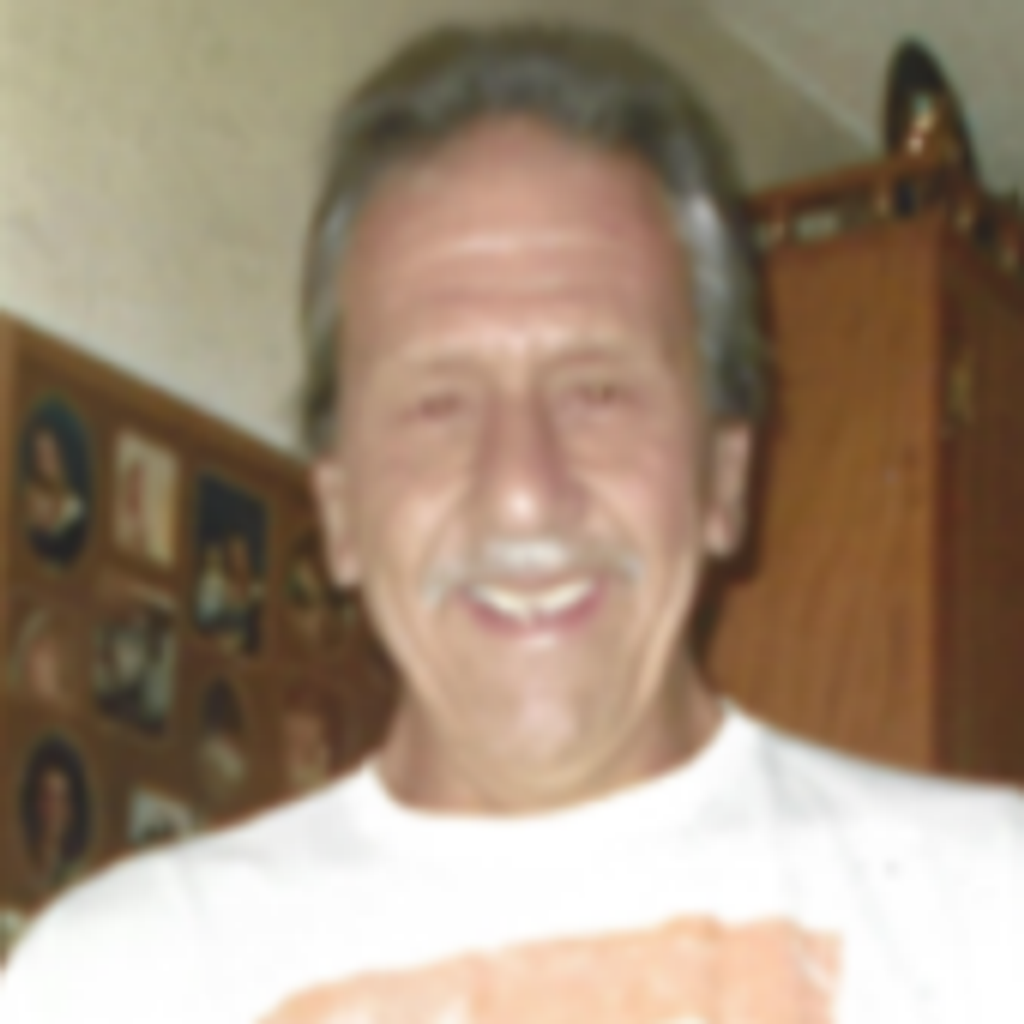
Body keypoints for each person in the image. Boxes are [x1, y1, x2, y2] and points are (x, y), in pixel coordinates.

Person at [2, 24, 1023, 1024]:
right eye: (437, 404)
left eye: (598, 391)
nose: (523, 491)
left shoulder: (988, 919)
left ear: (723, 475)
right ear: (340, 511)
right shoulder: (108, 984)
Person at [23, 423, 88, 565]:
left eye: (50, 453)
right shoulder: (24, 500)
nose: (46, 460)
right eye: (40, 454)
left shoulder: (74, 505)